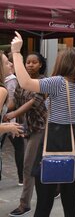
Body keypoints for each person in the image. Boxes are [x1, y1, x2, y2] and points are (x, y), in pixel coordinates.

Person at [10, 32, 75, 217]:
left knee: (44, 202)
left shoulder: (57, 82)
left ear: (62, 63)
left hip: (54, 139)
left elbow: (25, 82)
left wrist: (16, 52)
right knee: (71, 202)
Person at [6, 51, 48, 217]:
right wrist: (4, 109)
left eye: (34, 62)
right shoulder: (21, 81)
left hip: (40, 128)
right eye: (28, 62)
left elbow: (32, 103)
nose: (30, 65)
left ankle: (25, 205)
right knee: (37, 163)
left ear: (41, 65)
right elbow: (14, 101)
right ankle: (56, 187)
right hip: (27, 127)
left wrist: (11, 115)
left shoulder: (44, 82)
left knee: (28, 166)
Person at [0, 51, 24, 186]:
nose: (10, 64)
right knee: (20, 147)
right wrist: (8, 126)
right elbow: (12, 102)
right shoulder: (3, 89)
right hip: (9, 122)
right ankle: (22, 178)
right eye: (6, 62)